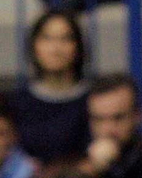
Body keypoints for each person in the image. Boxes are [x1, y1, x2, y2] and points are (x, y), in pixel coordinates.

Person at [8, 10, 92, 165]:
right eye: (47, 38)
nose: (56, 48)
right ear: (34, 46)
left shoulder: (94, 101)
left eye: (65, 39)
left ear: (78, 47)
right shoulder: (16, 103)